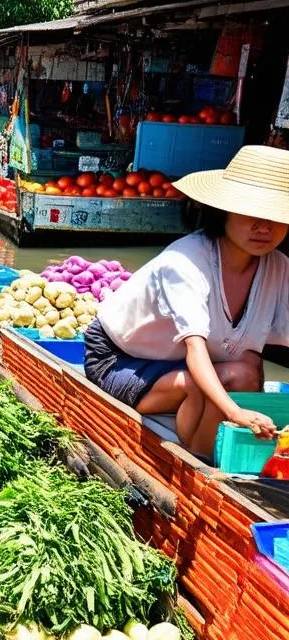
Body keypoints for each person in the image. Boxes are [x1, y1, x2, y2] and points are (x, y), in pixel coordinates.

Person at [84, 145, 289, 458]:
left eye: (276, 216)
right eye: (252, 213)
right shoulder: (185, 262)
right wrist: (235, 412)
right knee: (202, 384)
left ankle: (229, 451)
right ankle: (203, 461)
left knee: (249, 368)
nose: (265, 226)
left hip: (187, 361)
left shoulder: (278, 267)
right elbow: (195, 349)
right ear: (225, 210)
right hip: (120, 359)